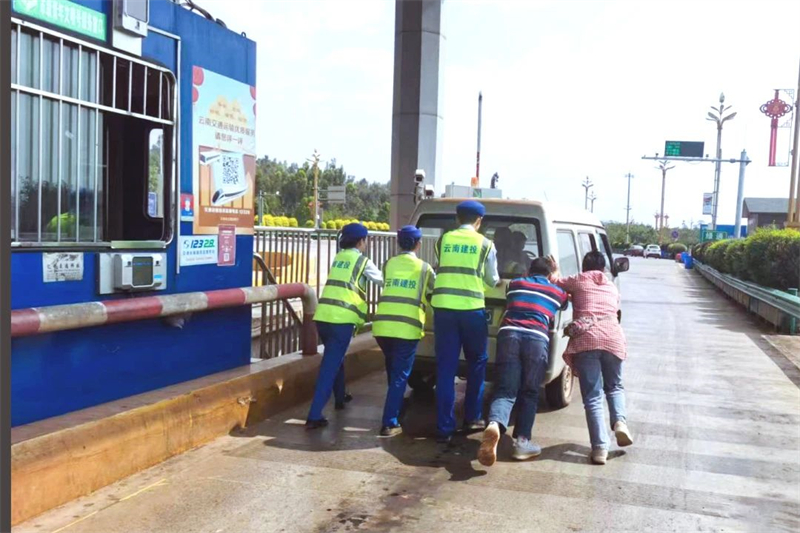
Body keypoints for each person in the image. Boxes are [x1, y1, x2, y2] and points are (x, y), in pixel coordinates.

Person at [478, 257, 568, 465]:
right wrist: (557, 275)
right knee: (529, 391)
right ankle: (522, 443)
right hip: (536, 339)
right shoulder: (556, 292)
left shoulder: (515, 284)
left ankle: (494, 424)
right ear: (550, 274)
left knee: (506, 390)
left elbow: (512, 297)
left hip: (509, 334)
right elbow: (564, 302)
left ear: (529, 270)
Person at [547, 251, 633, 464]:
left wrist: (556, 270)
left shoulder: (578, 281)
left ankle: (600, 450)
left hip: (587, 339)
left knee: (593, 397)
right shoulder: (612, 286)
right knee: (615, 387)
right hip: (613, 338)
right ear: (604, 268)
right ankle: (620, 422)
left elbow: (555, 282)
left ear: (584, 267)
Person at [431, 200, 500, 444]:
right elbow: (492, 280)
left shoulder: (443, 241)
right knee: (477, 363)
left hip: (444, 311)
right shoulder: (485, 244)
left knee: (446, 367)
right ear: (479, 221)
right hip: (472, 311)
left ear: (457, 218)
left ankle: (444, 426)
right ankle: (472, 417)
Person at [306, 223, 383, 429]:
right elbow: (383, 281)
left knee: (335, 358)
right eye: (365, 240)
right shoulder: (362, 261)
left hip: (323, 317)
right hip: (342, 319)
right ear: (361, 241)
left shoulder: (338, 258)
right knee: (329, 366)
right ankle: (314, 415)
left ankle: (340, 397)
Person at [372, 226, 436, 437]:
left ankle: (396, 408)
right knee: (400, 375)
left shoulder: (389, 263)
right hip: (406, 328)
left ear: (399, 243)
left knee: (393, 371)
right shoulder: (425, 268)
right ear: (418, 244)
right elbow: (432, 292)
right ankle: (389, 423)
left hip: (382, 326)